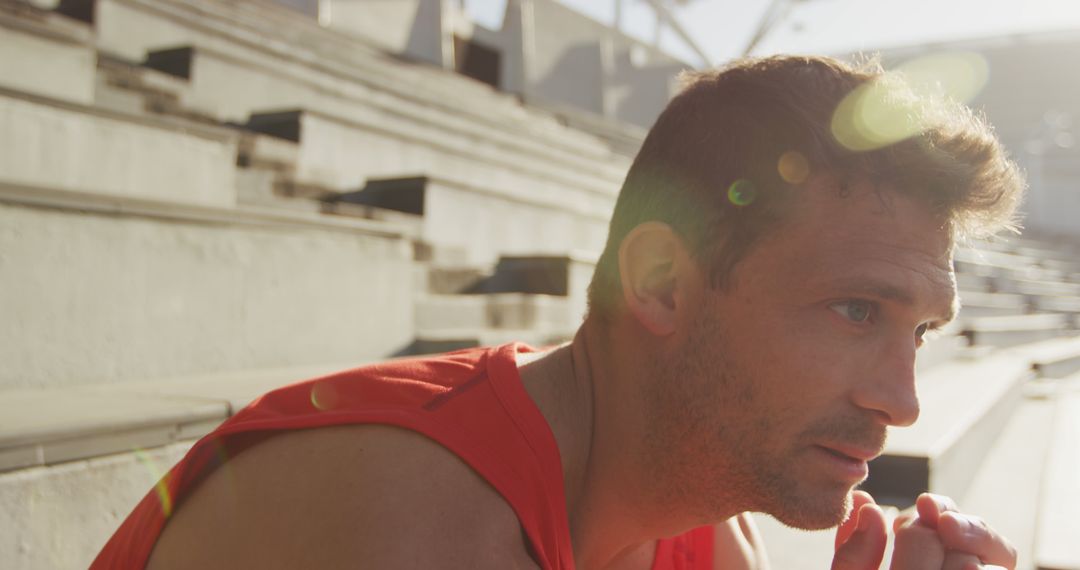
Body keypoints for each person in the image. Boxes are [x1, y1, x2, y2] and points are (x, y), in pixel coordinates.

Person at [93, 54, 1025, 569]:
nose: (903, 402)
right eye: (857, 310)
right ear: (661, 282)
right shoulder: (394, 518)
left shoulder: (699, 526)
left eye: (922, 331)